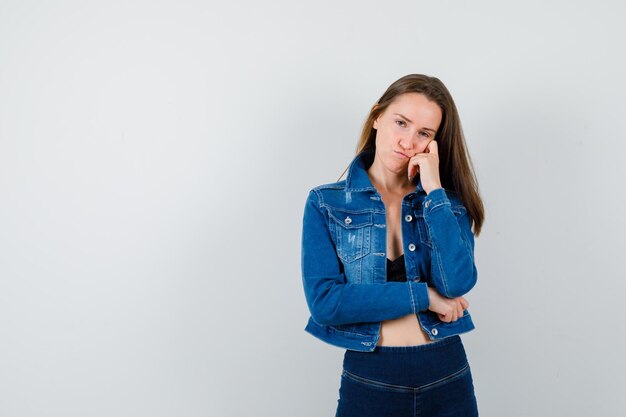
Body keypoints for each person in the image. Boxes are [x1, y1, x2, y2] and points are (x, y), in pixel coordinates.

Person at [300, 73, 485, 416]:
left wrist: (434, 192)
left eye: (424, 134)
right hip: (371, 379)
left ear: (433, 144)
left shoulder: (445, 204)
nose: (408, 141)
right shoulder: (326, 204)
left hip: (446, 374)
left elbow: (457, 283)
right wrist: (424, 297)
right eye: (401, 123)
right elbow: (326, 302)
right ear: (376, 117)